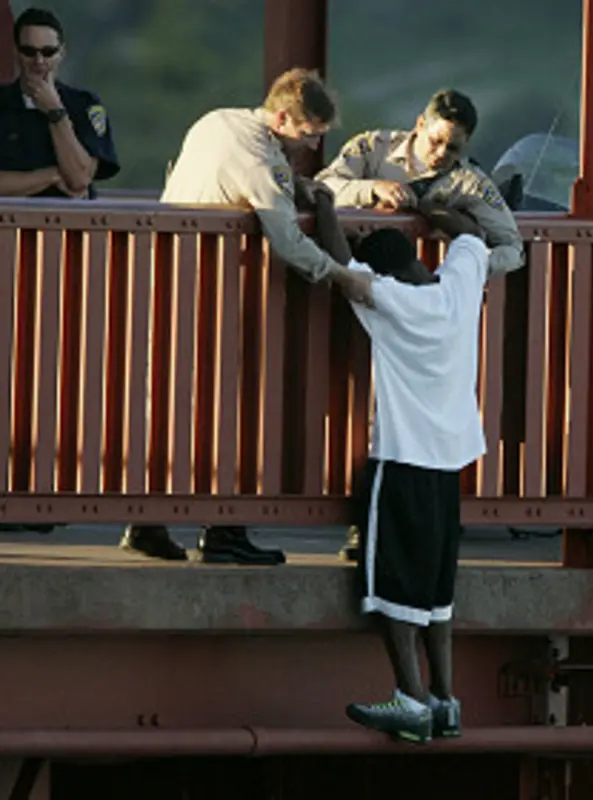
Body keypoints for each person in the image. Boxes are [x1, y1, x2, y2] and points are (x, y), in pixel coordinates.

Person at [120, 67, 372, 566]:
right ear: (281, 119)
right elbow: (287, 239)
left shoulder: (217, 121)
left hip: (167, 281)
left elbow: (240, 178)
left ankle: (146, 521)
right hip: (217, 294)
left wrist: (293, 184)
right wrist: (343, 276)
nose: (312, 145)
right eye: (308, 134)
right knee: (232, 407)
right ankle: (225, 531)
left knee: (172, 405)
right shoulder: (261, 158)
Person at [316, 88, 523, 562]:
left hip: (402, 304)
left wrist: (463, 273)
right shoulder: (373, 148)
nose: (442, 153)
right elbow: (324, 184)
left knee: (386, 419)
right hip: (358, 292)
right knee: (347, 411)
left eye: (454, 147)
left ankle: (366, 528)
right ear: (418, 125)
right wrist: (371, 190)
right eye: (436, 141)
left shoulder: (471, 183)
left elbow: (512, 248)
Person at [313, 188, 489, 743]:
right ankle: (445, 700)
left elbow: (341, 264)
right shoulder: (459, 288)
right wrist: (431, 209)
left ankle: (410, 700)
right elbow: (471, 236)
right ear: (417, 259)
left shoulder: (389, 302)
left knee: (393, 586)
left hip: (403, 456)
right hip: (450, 460)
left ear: (384, 272)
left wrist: (324, 204)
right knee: (437, 591)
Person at [0, 7, 119, 198]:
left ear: (62, 53)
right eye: (29, 51)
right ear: (16, 51)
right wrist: (51, 176)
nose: (39, 61)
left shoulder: (85, 105)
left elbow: (80, 179)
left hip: (68, 217)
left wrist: (55, 111)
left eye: (48, 52)